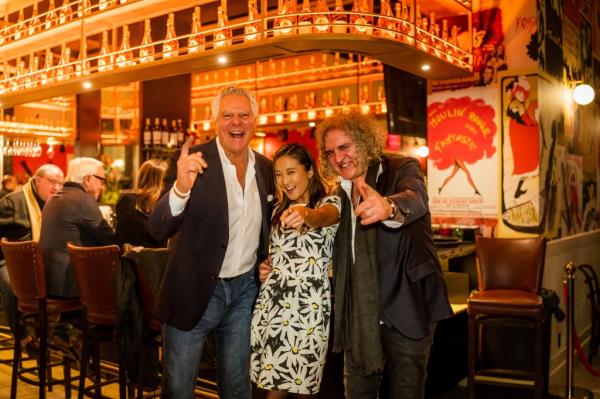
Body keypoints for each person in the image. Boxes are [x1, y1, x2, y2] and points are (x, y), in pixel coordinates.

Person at [148, 86, 275, 399]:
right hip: (194, 289)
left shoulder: (267, 168)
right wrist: (180, 188)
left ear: (255, 121)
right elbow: (157, 227)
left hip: (245, 290)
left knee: (237, 387)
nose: (237, 122)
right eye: (228, 115)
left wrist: (268, 260)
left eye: (244, 115)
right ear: (215, 122)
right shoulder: (193, 162)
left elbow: (268, 229)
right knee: (179, 388)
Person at [315, 112, 453, 399]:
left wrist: (388, 207)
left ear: (364, 141)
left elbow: (416, 199)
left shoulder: (402, 167)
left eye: (345, 147)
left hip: (407, 303)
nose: (338, 158)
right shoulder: (337, 195)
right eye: (330, 152)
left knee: (406, 392)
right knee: (357, 393)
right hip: (359, 314)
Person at [250, 143, 340, 398]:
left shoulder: (330, 202)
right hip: (273, 305)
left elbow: (323, 217)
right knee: (272, 389)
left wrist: (305, 213)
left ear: (309, 171)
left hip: (307, 310)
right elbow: (276, 253)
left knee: (304, 389)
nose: (284, 181)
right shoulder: (277, 209)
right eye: (278, 174)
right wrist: (265, 266)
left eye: (291, 172)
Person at [0, 164, 64, 352]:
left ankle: (60, 335)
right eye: (52, 182)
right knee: (10, 283)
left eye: (61, 183)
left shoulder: (56, 204)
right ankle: (23, 336)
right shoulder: (12, 203)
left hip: (43, 260)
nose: (57, 188)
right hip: (10, 260)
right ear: (37, 181)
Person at [40, 157, 115, 298]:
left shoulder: (54, 198)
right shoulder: (82, 200)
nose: (102, 187)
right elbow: (110, 240)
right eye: (101, 180)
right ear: (88, 179)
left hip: (47, 281)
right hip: (70, 286)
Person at [115, 158, 168, 248]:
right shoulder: (164, 203)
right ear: (164, 180)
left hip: (126, 258)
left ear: (141, 177)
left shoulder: (125, 200)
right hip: (155, 258)